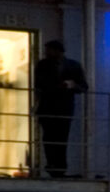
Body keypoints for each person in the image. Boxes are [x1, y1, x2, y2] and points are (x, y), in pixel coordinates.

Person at [32, 39, 86, 178]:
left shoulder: (73, 65)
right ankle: (54, 167)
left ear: (57, 51)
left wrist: (72, 85)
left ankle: (59, 168)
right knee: (50, 138)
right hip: (50, 107)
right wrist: (60, 86)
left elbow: (83, 87)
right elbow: (39, 84)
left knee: (60, 139)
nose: (47, 53)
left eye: (49, 50)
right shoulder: (43, 65)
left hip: (62, 108)